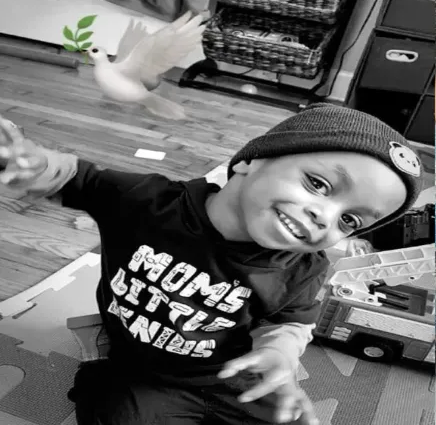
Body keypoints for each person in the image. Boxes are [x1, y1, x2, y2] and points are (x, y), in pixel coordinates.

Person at [0, 103, 423, 425]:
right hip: (145, 371)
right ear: (251, 161)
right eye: (318, 184)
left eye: (349, 220)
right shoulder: (147, 203)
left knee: (292, 417)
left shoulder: (302, 267)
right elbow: (81, 179)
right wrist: (29, 163)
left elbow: (292, 322)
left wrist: (278, 355)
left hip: (231, 375)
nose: (324, 216)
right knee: (118, 414)